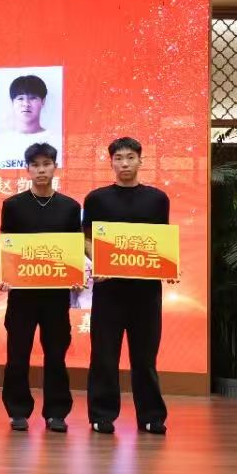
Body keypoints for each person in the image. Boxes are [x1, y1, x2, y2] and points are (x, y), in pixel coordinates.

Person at [84, 136, 173, 435]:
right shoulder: (97, 199)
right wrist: (99, 261)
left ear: (140, 160)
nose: (125, 163)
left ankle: (151, 416)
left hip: (146, 292)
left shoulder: (157, 199)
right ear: (111, 162)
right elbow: (86, 239)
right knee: (104, 356)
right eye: (119, 158)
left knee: (145, 358)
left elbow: (162, 243)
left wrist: (169, 265)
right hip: (108, 291)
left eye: (130, 157)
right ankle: (102, 415)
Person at [0, 143, 81, 433]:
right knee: (17, 353)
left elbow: (73, 249)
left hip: (56, 295)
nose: (41, 170)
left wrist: (75, 275)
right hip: (22, 294)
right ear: (27, 169)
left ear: (55, 167)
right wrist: (6, 274)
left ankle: (56, 412)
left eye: (46, 164)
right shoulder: (13, 205)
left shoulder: (70, 207)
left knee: (56, 354)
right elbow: (7, 244)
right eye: (35, 165)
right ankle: (18, 410)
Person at [0, 75, 62, 169]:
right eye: (20, 98)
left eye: (33, 98)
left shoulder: (57, 140)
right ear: (12, 102)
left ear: (43, 101)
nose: (26, 104)